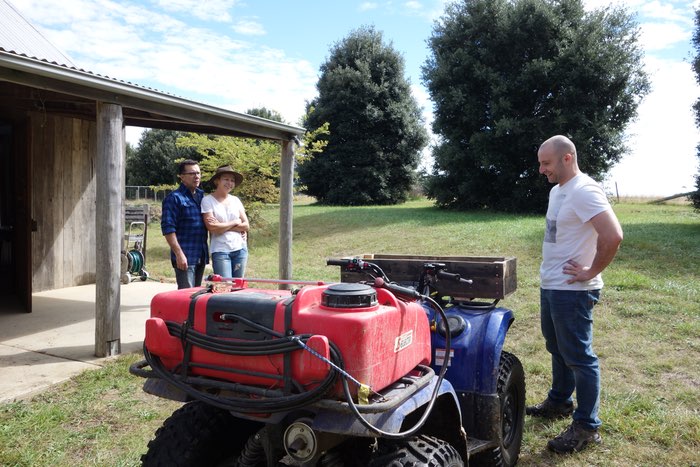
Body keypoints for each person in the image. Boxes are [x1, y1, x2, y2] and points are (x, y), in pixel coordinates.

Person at [528, 135, 623, 454]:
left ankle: (587, 426)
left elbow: (613, 235)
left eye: (546, 163)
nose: (541, 169)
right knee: (557, 347)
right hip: (552, 284)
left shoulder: (584, 190)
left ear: (567, 158)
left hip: (573, 291)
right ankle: (559, 402)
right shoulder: (558, 191)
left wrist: (590, 271)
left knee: (580, 357)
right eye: (541, 163)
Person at [161, 159, 209, 289]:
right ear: (182, 177)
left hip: (200, 253)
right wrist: (179, 254)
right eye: (192, 173)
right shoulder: (174, 198)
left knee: (197, 295)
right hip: (185, 256)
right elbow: (168, 229)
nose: (197, 176)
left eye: (198, 173)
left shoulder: (201, 196)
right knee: (186, 297)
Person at [201, 165, 249, 278]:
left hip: (240, 249)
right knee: (224, 286)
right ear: (217, 181)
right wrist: (235, 222)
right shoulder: (207, 200)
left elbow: (246, 225)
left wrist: (221, 227)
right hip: (220, 250)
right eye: (226, 179)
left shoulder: (235, 200)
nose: (229, 183)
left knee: (238, 287)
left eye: (232, 180)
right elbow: (212, 228)